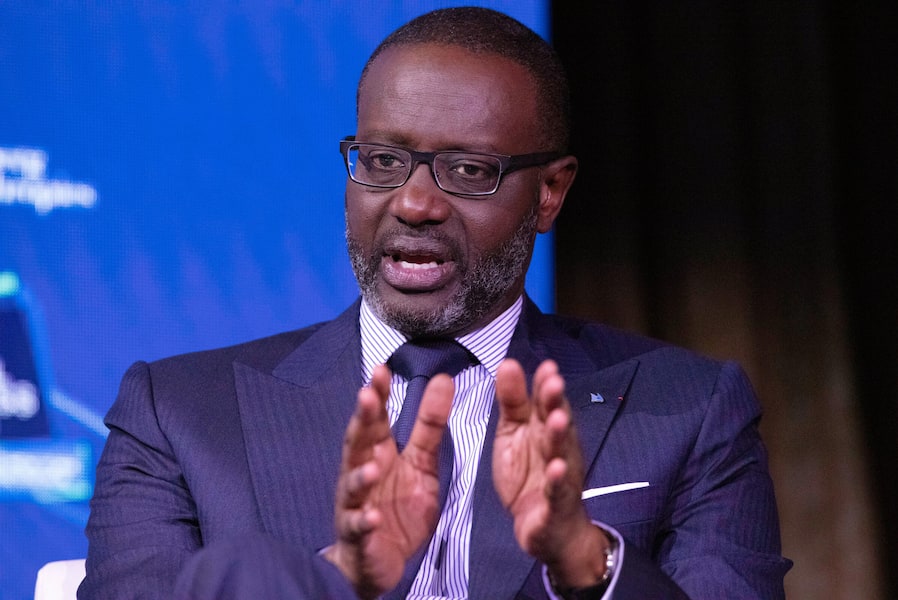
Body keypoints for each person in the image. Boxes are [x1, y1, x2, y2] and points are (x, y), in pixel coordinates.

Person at [79, 7, 791, 600]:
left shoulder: (690, 409)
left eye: (469, 170)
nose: (414, 203)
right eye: (383, 162)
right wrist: (337, 576)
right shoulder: (180, 414)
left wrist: (586, 558)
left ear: (550, 192)